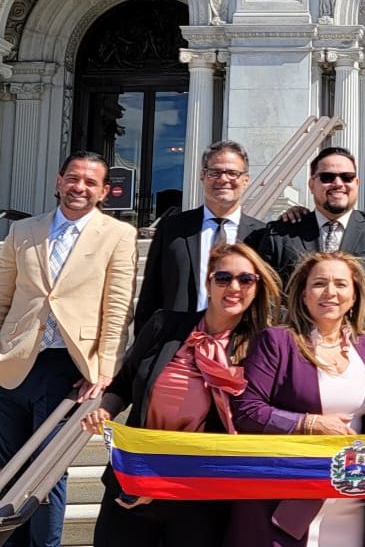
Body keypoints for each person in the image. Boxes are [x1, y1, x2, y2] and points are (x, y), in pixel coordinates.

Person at [81, 243, 281, 547]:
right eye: (223, 278)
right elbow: (122, 384)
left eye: (246, 279)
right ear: (209, 283)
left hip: (199, 490)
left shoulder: (260, 346)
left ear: (257, 287)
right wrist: (105, 409)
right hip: (136, 477)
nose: (234, 287)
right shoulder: (165, 325)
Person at [0, 151, 138, 547]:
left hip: (70, 368)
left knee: (47, 471)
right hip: (15, 365)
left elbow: (117, 308)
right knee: (10, 466)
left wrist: (105, 372)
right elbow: (4, 296)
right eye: (73, 179)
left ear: (103, 191)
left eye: (90, 182)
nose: (80, 187)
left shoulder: (117, 235)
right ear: (59, 181)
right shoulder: (24, 231)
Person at [227, 252, 365, 547]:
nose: (330, 292)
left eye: (341, 284)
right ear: (303, 294)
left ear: (354, 295)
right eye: (319, 284)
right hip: (289, 498)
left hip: (352, 497)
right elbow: (247, 410)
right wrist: (308, 422)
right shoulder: (277, 341)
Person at [254, 147, 365, 336]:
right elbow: (265, 292)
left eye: (347, 177)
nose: (338, 183)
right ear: (312, 184)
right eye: (327, 177)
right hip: (295, 345)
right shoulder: (281, 233)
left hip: (360, 345)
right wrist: (302, 330)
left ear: (357, 183)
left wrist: (349, 330)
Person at [135, 140, 266, 334]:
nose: (223, 179)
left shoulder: (261, 235)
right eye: (215, 172)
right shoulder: (172, 229)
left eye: (232, 173)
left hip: (240, 343)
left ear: (245, 180)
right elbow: (150, 293)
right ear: (203, 176)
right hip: (178, 343)